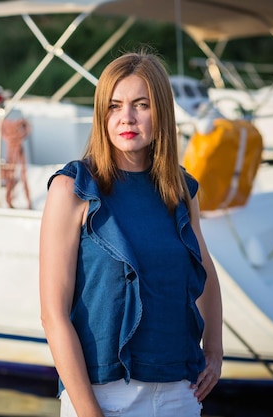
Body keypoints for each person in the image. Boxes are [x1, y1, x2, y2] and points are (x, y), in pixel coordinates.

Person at [39, 51, 223, 417]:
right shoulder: (73, 188)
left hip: (179, 393)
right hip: (102, 395)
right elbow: (52, 315)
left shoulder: (180, 189)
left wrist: (214, 349)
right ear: (101, 114)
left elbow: (204, 270)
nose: (127, 118)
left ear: (162, 114)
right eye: (114, 106)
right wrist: (89, 412)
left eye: (142, 105)